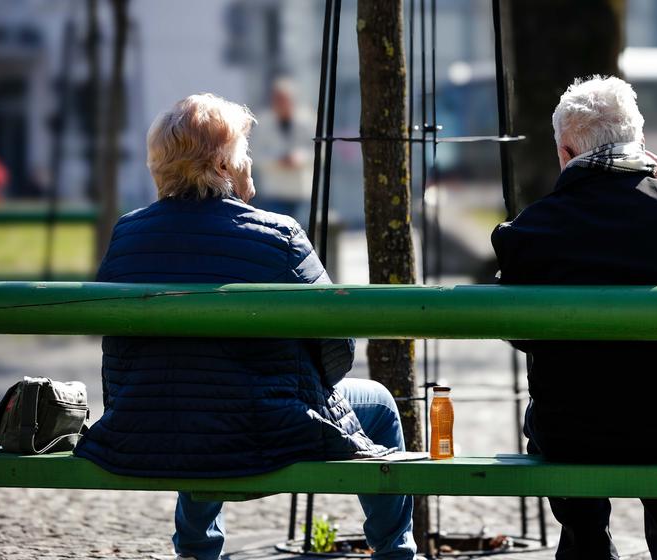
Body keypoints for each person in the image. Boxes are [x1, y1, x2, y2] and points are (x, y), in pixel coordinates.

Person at [74, 93, 417, 560]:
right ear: (221, 166)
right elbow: (338, 349)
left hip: (144, 426)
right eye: (244, 152)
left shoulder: (128, 234)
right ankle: (396, 552)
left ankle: (196, 550)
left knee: (194, 390)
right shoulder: (279, 236)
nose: (250, 162)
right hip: (263, 432)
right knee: (375, 402)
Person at [491, 76, 657, 560]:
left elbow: (519, 333)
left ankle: (585, 539)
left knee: (566, 408)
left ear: (566, 151)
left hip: (574, 431)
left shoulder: (530, 230)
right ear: (639, 140)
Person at [251, 77, 315, 219]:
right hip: (274, 193)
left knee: (304, 234)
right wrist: (278, 160)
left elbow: (319, 151)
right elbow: (254, 155)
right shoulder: (263, 123)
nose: (280, 103)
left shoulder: (307, 121)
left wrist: (300, 158)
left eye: (284, 99)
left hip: (301, 191)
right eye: (277, 99)